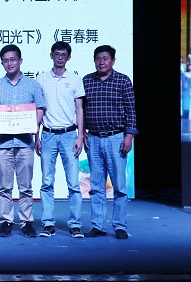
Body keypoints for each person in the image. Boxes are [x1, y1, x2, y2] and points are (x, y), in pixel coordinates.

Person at [0, 44, 46, 238]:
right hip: (3, 144)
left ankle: (26, 222)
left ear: (20, 61)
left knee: (26, 186)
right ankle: (6, 221)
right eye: (5, 60)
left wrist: (32, 125)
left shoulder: (32, 85)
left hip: (25, 143)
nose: (9, 63)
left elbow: (40, 109)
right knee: (5, 186)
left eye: (13, 59)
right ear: (2, 63)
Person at [82, 45, 139, 240]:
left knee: (119, 186)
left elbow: (131, 110)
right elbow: (80, 110)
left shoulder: (123, 80)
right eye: (98, 58)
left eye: (105, 58)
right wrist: (82, 132)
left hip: (116, 138)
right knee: (96, 185)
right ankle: (98, 225)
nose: (101, 62)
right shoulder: (87, 81)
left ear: (113, 60)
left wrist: (129, 136)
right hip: (94, 139)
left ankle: (120, 225)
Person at [35, 41, 85, 238]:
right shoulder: (41, 79)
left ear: (69, 57)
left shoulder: (75, 79)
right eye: (57, 54)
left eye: (64, 54)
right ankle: (48, 223)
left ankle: (75, 224)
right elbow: (38, 109)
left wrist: (80, 135)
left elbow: (79, 109)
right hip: (47, 135)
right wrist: (36, 136)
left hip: (69, 135)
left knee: (73, 183)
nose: (60, 57)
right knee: (47, 182)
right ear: (51, 55)